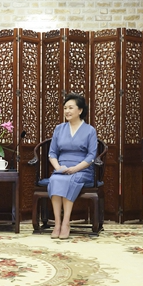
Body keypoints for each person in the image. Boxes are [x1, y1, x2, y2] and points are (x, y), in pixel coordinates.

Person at [47, 93, 98, 239]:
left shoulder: (90, 130)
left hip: (82, 169)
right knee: (55, 179)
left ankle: (66, 223)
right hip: (62, 168)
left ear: (80, 110)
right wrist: (58, 168)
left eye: (70, 108)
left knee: (71, 179)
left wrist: (75, 169)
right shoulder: (59, 129)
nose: (67, 111)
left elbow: (91, 156)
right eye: (65, 108)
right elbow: (52, 153)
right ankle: (57, 223)